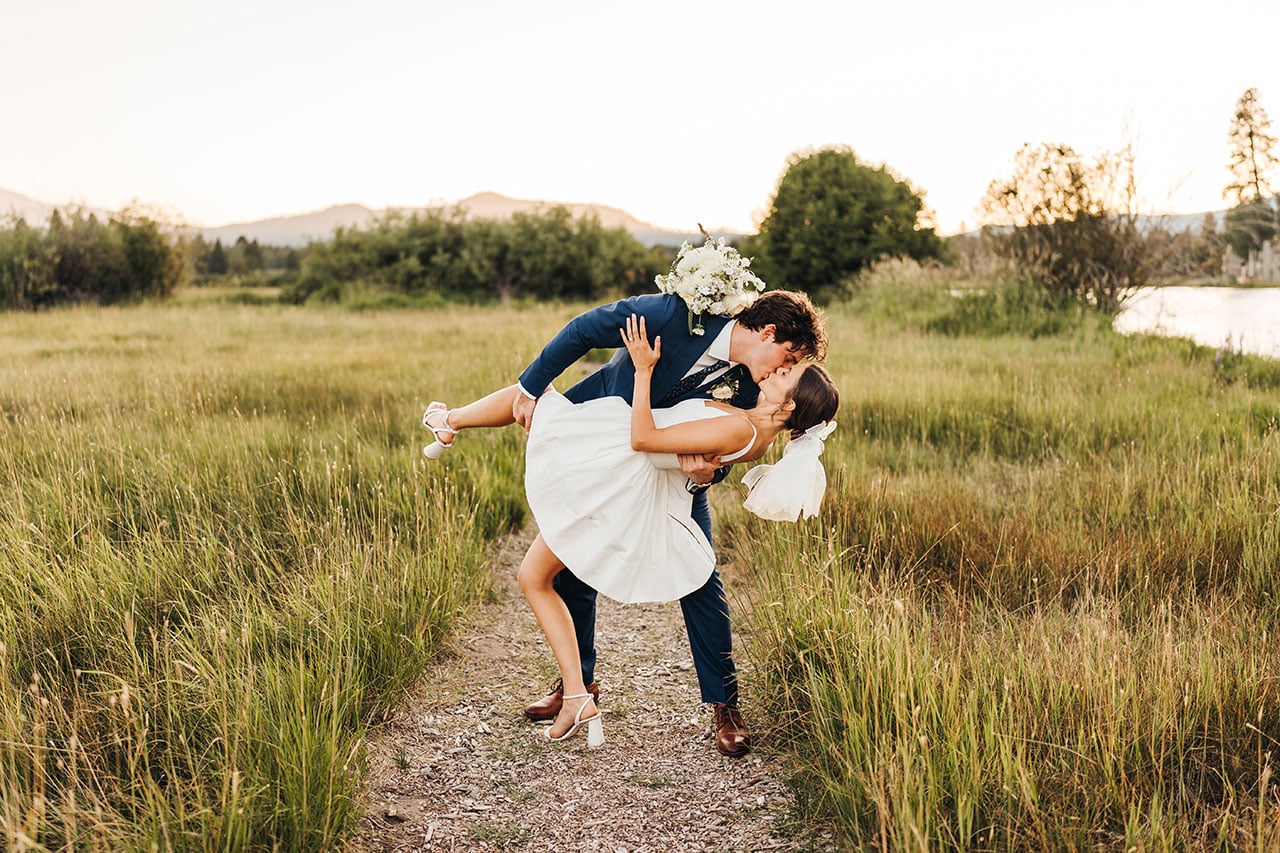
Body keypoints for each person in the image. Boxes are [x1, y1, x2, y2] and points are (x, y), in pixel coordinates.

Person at [422, 290, 829, 755]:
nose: (784, 369)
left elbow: (739, 439)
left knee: (701, 580)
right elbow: (581, 331)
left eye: (792, 365)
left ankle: (725, 704)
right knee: (574, 563)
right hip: (612, 443)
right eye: (789, 356)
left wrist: (712, 470)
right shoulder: (674, 316)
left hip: (671, 480)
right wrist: (533, 387)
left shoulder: (760, 385)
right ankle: (578, 683)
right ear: (768, 333)